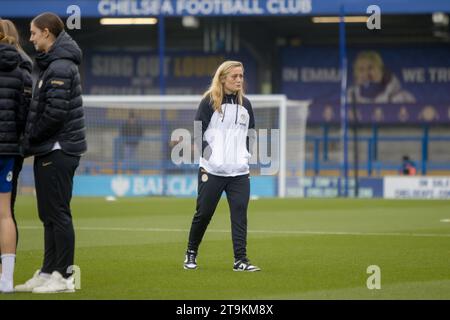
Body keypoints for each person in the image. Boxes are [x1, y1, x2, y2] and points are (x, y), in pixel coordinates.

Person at [15, 12, 87, 293]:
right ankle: (48, 271)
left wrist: (30, 139)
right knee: (48, 214)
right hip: (51, 148)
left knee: (57, 213)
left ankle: (65, 276)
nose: (31, 38)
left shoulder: (59, 67)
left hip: (59, 147)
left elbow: (54, 115)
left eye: (33, 33)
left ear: (47, 33)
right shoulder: (53, 65)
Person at [183, 61, 260, 272]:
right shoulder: (209, 101)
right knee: (204, 213)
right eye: (234, 76)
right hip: (212, 170)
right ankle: (191, 252)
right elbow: (198, 133)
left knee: (239, 214)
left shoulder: (246, 104)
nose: (239, 80)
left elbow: (251, 132)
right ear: (223, 78)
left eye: (241, 76)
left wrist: (245, 155)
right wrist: (212, 158)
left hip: (239, 172)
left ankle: (240, 260)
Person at [0, 19, 33, 284]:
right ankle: (6, 279)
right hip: (10, 149)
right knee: (5, 212)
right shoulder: (23, 70)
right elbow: (25, 115)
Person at [348, 50, 416, 104]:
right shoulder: (348, 99)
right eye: (361, 69)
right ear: (356, 75)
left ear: (381, 70)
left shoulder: (403, 97)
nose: (366, 74)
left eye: (370, 68)